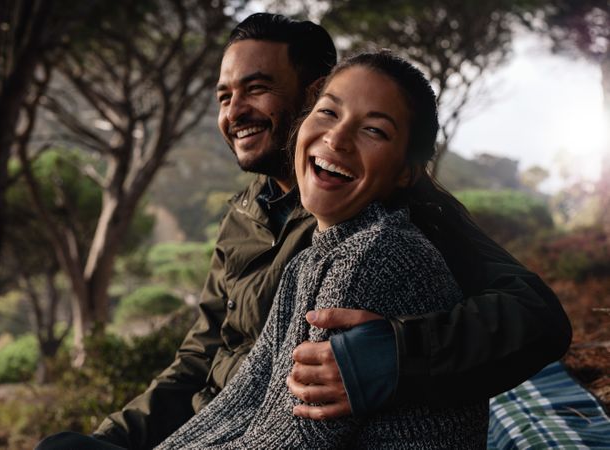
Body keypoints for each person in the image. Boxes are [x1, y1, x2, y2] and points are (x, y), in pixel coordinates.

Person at [36, 13, 571, 450]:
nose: (235, 111)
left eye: (257, 88)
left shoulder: (391, 217)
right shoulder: (245, 213)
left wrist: (396, 354)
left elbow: (536, 316)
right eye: (224, 96)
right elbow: (199, 361)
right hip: (216, 429)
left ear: (312, 90)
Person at [158, 49, 489, 449]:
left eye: (374, 130)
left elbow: (294, 439)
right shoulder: (308, 261)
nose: (337, 138)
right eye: (329, 113)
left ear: (406, 172)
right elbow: (240, 402)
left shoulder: (374, 254)